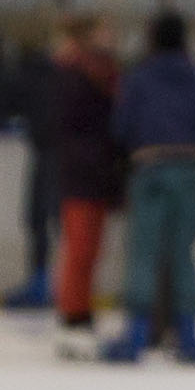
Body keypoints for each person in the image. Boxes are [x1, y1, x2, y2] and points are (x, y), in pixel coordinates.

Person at [98, 14, 195, 364]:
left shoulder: (140, 77)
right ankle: (188, 338)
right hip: (191, 170)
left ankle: (135, 337)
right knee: (183, 255)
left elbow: (121, 126)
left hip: (150, 167)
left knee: (144, 253)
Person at [35, 21, 122, 352]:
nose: (109, 37)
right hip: (79, 174)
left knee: (90, 251)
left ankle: (81, 313)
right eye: (102, 31)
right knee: (79, 249)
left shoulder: (108, 74)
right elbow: (63, 127)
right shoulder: (70, 75)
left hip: (99, 174)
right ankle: (72, 315)